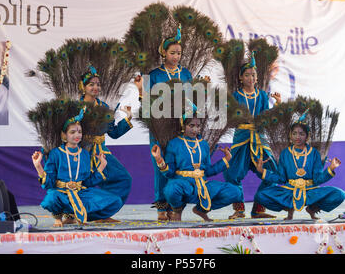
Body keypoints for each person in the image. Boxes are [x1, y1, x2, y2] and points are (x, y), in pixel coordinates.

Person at [31, 107, 123, 227]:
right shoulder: (56, 153)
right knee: (51, 198)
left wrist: (101, 167)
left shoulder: (85, 154)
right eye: (72, 132)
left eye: (79, 132)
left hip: (80, 193)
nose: (77, 135)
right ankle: (58, 217)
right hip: (61, 193)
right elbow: (49, 183)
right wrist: (38, 166)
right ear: (64, 135)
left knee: (116, 201)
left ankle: (75, 215)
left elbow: (88, 182)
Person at [151, 112, 243, 221]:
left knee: (235, 192)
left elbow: (208, 171)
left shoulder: (203, 144)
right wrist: (159, 159)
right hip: (183, 185)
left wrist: (226, 160)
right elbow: (169, 173)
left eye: (198, 126)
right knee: (170, 189)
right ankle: (177, 211)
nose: (195, 129)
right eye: (191, 126)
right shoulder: (174, 144)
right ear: (183, 126)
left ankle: (201, 210)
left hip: (202, 185)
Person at [223, 54, 282, 219]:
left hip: (259, 138)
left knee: (272, 172)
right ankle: (239, 209)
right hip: (242, 137)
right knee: (231, 173)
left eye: (254, 75)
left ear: (257, 78)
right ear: (241, 77)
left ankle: (258, 209)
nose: (251, 78)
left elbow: (266, 117)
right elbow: (231, 118)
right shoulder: (236, 95)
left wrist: (277, 105)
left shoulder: (262, 95)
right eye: (247, 75)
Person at [253, 118, 345, 220]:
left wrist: (330, 168)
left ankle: (312, 209)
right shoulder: (285, 153)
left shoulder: (314, 153)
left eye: (301, 134)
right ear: (290, 135)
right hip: (289, 191)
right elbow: (281, 178)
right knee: (260, 195)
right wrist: (262, 171)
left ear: (307, 136)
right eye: (294, 133)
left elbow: (318, 179)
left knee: (339, 194)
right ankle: (289, 208)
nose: (297, 137)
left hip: (310, 191)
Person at [147, 26, 194, 221]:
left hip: (180, 126)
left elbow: (191, 98)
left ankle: (176, 206)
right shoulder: (154, 74)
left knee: (177, 165)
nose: (176, 56)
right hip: (159, 126)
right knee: (160, 165)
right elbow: (148, 103)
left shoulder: (186, 74)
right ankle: (161, 206)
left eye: (179, 53)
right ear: (163, 53)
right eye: (172, 52)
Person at [79, 65, 136, 212]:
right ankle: (76, 212)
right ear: (83, 87)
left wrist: (127, 119)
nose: (95, 87)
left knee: (123, 179)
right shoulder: (77, 107)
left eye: (98, 84)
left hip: (102, 152)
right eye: (91, 84)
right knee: (82, 183)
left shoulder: (104, 106)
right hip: (82, 152)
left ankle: (104, 212)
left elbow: (114, 133)